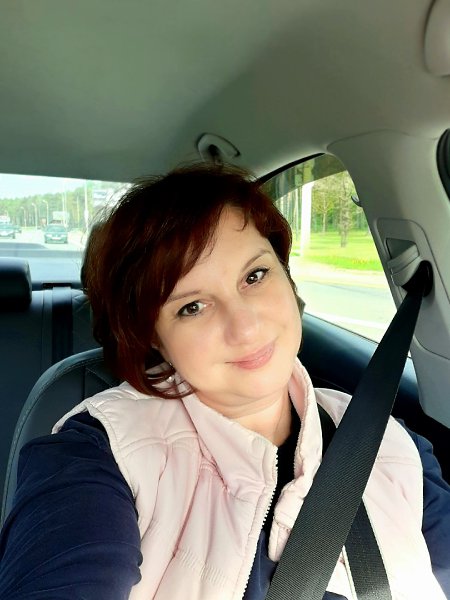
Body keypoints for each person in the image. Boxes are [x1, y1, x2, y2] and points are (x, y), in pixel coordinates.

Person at [0, 163, 449, 600]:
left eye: (255, 276)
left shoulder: (391, 444)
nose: (246, 327)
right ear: (153, 338)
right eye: (191, 307)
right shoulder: (95, 454)